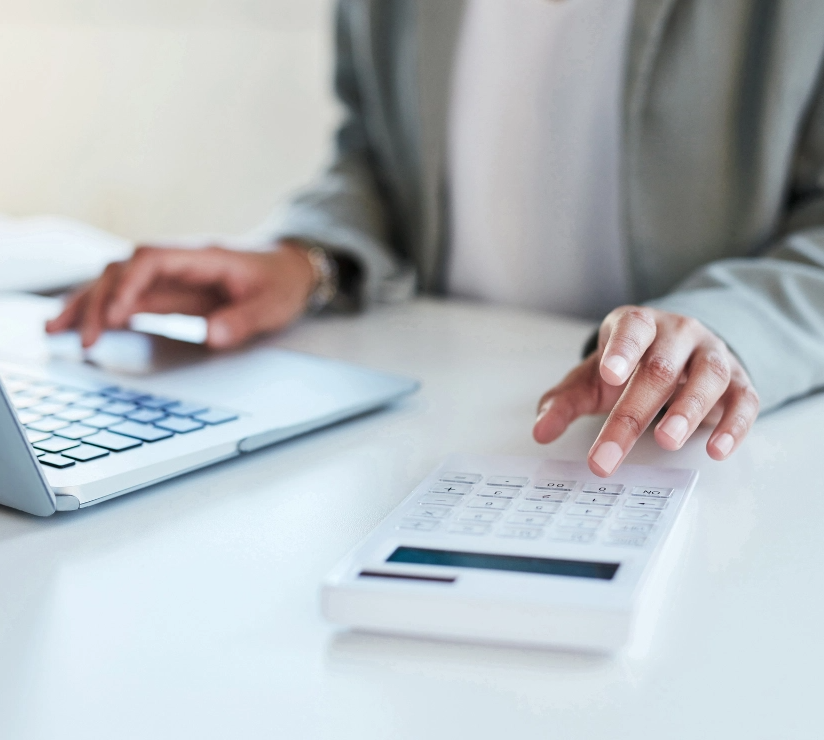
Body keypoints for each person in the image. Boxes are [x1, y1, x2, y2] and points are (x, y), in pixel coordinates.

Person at [46, 0, 824, 477]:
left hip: (676, 459)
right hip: (433, 427)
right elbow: (377, 155)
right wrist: (305, 260)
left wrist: (728, 330)